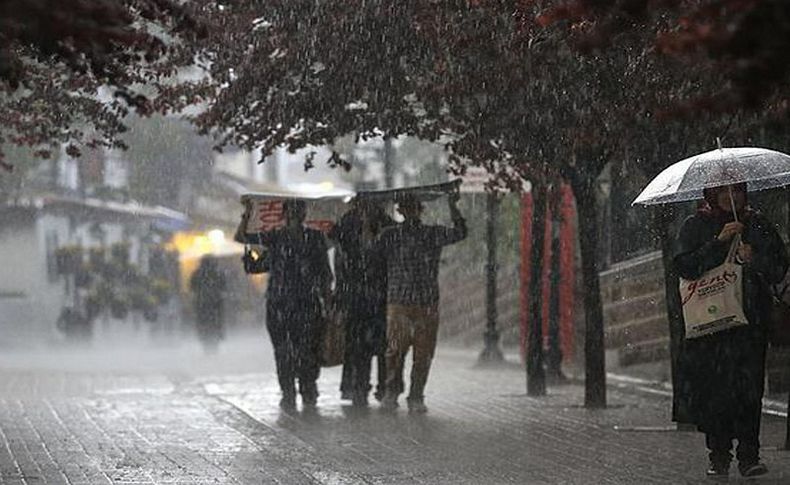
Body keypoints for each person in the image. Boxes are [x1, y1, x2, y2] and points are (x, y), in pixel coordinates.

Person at [673, 183, 788, 478]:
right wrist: (718, 243)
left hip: (750, 324)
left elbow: (778, 267)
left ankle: (749, 455)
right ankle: (719, 454)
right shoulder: (695, 225)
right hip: (712, 327)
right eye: (722, 191)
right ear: (710, 195)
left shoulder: (756, 224)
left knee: (749, 391)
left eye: (736, 190)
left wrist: (755, 257)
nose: (730, 196)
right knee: (716, 392)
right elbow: (685, 266)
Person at [372, 190, 467, 413]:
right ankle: (392, 391)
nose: (410, 212)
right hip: (399, 301)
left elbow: (460, 232)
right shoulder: (389, 235)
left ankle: (416, 395)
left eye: (413, 207)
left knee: (423, 353)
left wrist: (453, 206)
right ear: (401, 211)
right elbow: (372, 256)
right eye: (406, 207)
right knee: (395, 351)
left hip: (425, 302)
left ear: (419, 210)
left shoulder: (431, 233)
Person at [235, 199, 332, 412]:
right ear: (286, 214)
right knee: (285, 351)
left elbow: (324, 273)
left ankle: (305, 388)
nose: (296, 216)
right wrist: (247, 214)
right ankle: (291, 391)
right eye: (293, 212)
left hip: (304, 303)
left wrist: (328, 299)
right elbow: (242, 237)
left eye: (299, 211)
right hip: (282, 303)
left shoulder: (313, 238)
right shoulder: (276, 238)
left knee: (305, 349)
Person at [329, 197, 394, 407]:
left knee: (382, 345)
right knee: (359, 347)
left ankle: (383, 387)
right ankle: (360, 387)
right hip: (357, 297)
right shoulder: (348, 225)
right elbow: (340, 255)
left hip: (379, 296)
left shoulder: (385, 225)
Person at [189, 256, 227, 354]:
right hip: (216, 304)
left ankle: (206, 344)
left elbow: (192, 287)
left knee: (204, 324)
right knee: (216, 323)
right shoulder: (218, 273)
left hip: (202, 304)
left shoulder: (197, 273)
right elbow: (224, 286)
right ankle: (215, 343)